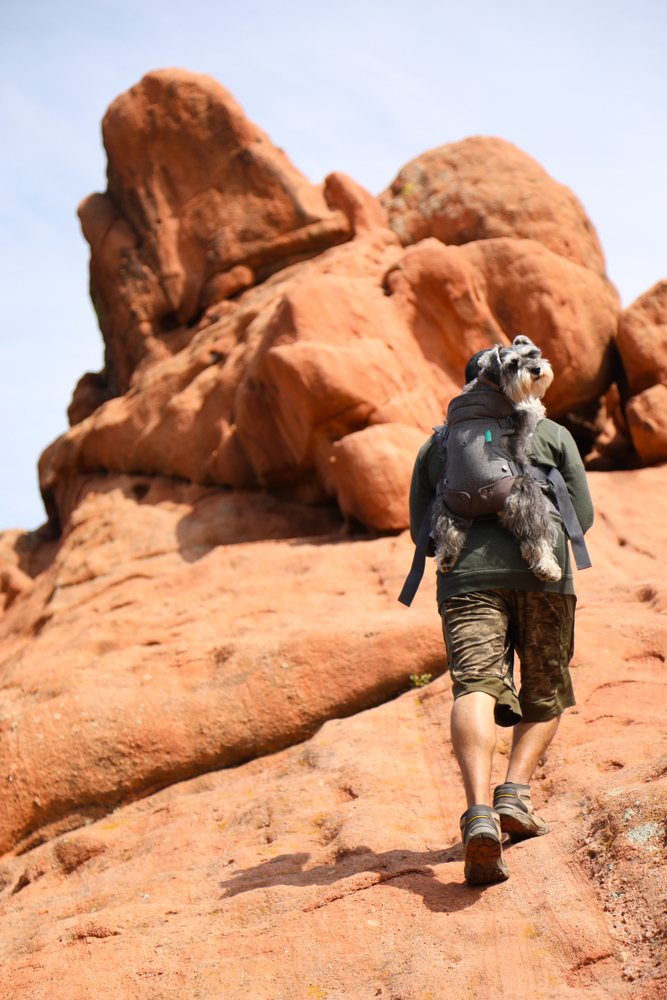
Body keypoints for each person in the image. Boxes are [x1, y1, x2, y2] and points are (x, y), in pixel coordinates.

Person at [408, 352, 594, 886]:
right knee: (546, 689)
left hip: (467, 578)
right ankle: (514, 795)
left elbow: (421, 529)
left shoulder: (440, 444)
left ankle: (479, 815)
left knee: (474, 687)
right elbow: (582, 514)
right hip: (545, 574)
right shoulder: (550, 431)